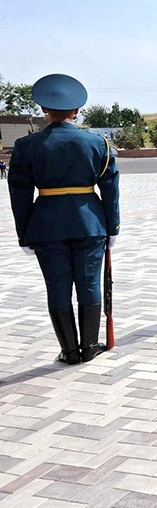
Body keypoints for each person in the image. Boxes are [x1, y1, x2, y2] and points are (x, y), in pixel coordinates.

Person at [7, 74, 119, 364]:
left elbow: (19, 193)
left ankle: (69, 351)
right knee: (90, 284)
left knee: (57, 287)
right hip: (90, 223)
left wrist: (24, 234)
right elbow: (110, 187)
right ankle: (90, 347)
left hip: (46, 226)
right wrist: (113, 227)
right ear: (77, 111)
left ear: (44, 110)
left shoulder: (26, 146)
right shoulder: (98, 144)